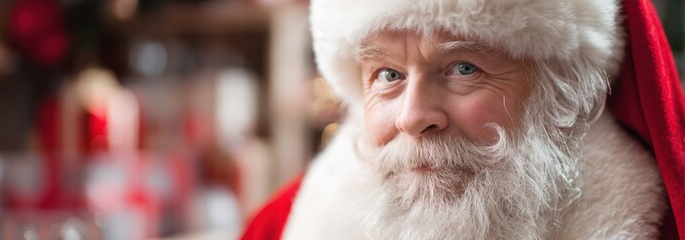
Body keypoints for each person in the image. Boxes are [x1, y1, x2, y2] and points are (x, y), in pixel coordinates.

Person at [242, 0, 685, 239]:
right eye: (389, 75)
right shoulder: (281, 228)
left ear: (562, 94)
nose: (413, 117)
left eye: (463, 68)